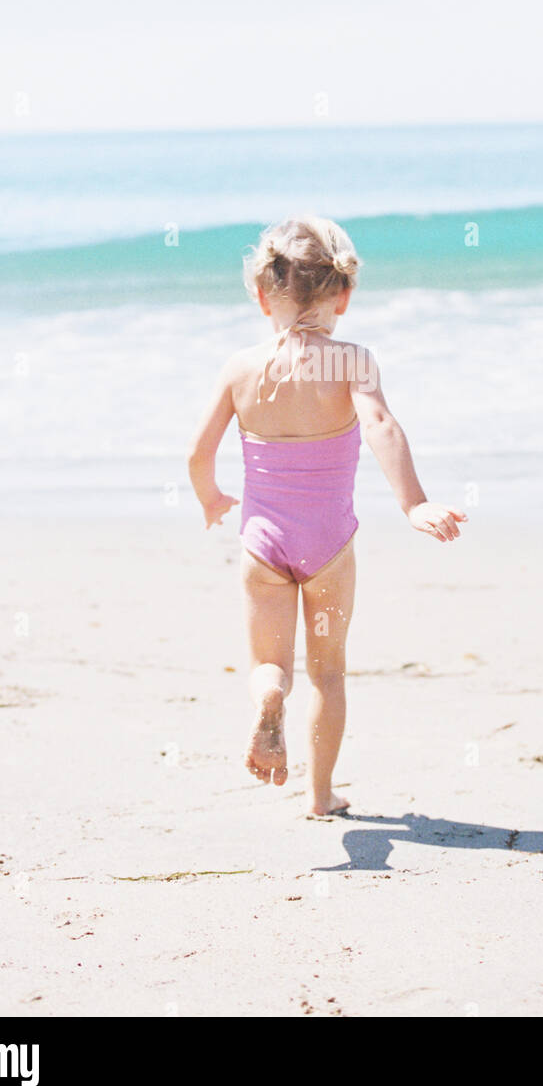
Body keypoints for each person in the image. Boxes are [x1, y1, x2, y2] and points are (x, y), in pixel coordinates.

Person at [187, 216, 466, 816]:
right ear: (344, 294)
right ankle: (319, 795)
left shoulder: (239, 368)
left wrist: (211, 498)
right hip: (328, 547)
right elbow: (380, 426)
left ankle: (268, 699)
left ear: (262, 295)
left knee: (269, 662)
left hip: (262, 544)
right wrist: (414, 502)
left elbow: (197, 452)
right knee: (329, 673)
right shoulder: (353, 362)